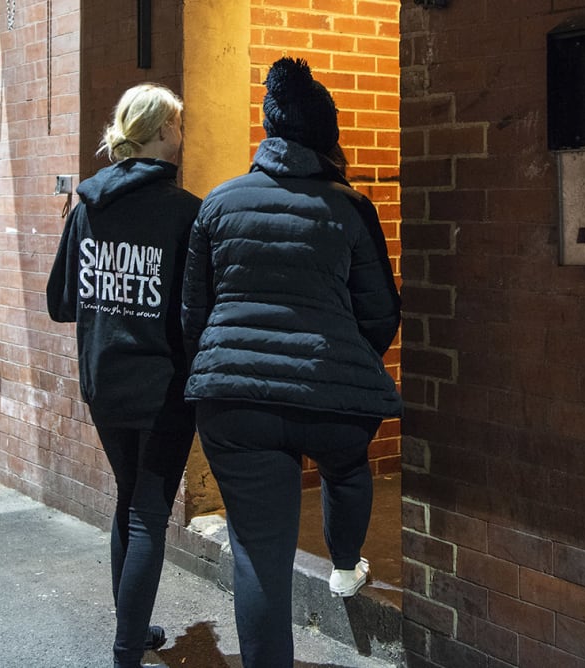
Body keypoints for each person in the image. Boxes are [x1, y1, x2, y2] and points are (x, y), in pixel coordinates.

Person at [181, 57, 401, 667]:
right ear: (326, 135)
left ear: (269, 131)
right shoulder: (351, 208)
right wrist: (346, 361)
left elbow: (192, 314)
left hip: (234, 404)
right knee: (348, 466)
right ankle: (343, 565)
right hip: (328, 394)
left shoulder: (219, 204)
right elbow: (381, 311)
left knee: (258, 551)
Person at [46, 82, 199, 668]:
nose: (183, 137)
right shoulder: (186, 212)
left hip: (103, 385)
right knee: (147, 513)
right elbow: (194, 312)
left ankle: (132, 631)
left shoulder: (88, 208)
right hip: (162, 391)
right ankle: (126, 650)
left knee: (128, 501)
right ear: (160, 132)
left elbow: (62, 302)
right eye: (179, 127)